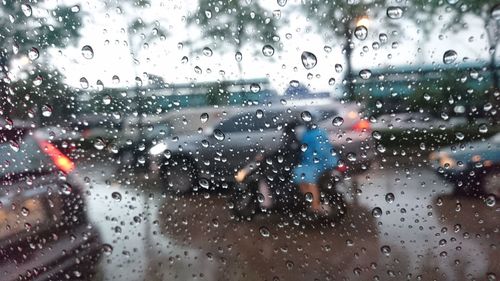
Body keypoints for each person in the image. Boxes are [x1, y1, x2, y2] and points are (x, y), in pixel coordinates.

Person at [293, 115, 338, 214]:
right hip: (309, 162)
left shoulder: (319, 133)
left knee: (309, 179)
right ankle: (312, 202)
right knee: (299, 175)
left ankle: (315, 205)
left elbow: (323, 150)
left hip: (322, 162)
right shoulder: (306, 134)